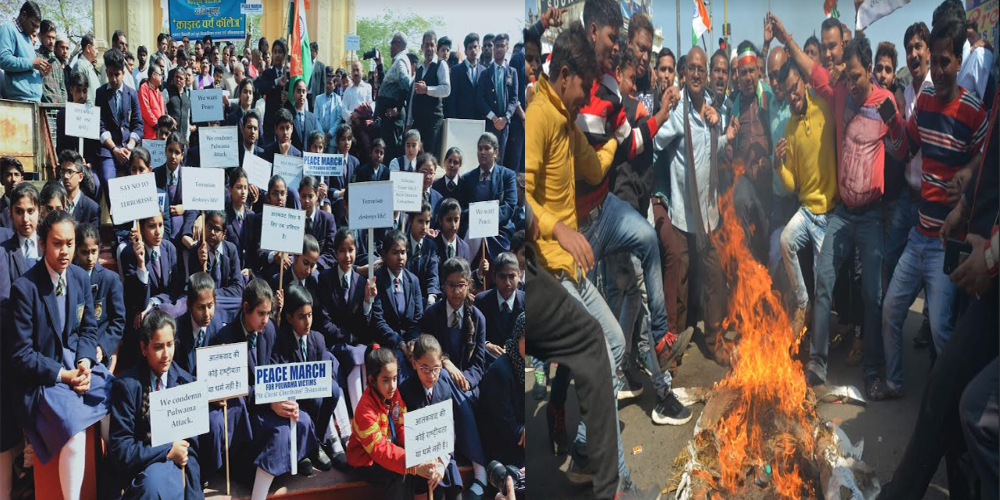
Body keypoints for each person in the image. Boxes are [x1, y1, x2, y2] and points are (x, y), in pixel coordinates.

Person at [770, 15, 906, 388]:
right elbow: (807, 64)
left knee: (872, 294)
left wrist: (895, 125)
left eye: (860, 76)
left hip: (872, 215)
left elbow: (902, 151)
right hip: (842, 214)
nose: (855, 82)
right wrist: (784, 36)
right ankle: (817, 363)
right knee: (825, 281)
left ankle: (873, 370)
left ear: (865, 72)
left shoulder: (886, 101)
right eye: (851, 76)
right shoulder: (839, 91)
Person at [877, 16, 987, 400]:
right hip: (918, 234)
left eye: (945, 62)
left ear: (958, 61)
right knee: (891, 308)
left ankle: (950, 402)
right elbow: (906, 149)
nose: (938, 71)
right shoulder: (922, 102)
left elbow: (988, 163)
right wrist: (891, 121)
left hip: (946, 243)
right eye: (934, 62)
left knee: (941, 329)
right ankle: (894, 383)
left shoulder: (974, 111)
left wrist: (970, 171)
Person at [11, 210, 112, 499]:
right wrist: (64, 375)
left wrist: (84, 362)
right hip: (42, 381)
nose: (65, 250)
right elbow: (21, 355)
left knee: (116, 395)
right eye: (57, 243)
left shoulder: (80, 277)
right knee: (73, 432)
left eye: (70, 243)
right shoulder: (25, 289)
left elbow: (89, 329)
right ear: (42, 244)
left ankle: (112, 483)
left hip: (76, 367)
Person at [106, 310, 202, 499]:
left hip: (180, 467)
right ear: (144, 348)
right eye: (158, 347)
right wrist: (166, 450)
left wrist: (178, 453)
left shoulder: (186, 382)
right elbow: (122, 450)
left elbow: (193, 446)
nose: (166, 354)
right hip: (143, 467)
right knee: (153, 485)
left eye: (170, 345)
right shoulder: (127, 386)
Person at [775, 59, 838, 335]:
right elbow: (792, 184)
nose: (792, 95)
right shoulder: (789, 128)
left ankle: (819, 343)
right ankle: (803, 303)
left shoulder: (825, 107)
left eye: (795, 87)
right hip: (806, 210)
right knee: (785, 240)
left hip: (828, 214)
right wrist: (779, 166)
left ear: (803, 81)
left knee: (822, 281)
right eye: (787, 91)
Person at [347, 345, 444, 499]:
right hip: (366, 461)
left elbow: (402, 427)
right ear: (372, 380)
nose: (392, 386)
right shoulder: (365, 409)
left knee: (429, 472)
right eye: (386, 380)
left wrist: (420, 453)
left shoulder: (394, 394)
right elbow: (380, 450)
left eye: (394, 379)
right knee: (401, 473)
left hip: (392, 451)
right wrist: (413, 465)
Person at [400, 334, 488, 500]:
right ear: (414, 363)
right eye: (425, 368)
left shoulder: (444, 387)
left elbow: (448, 430)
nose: (431, 375)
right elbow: (405, 434)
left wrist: (441, 463)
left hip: (443, 458)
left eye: (436, 368)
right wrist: (426, 464)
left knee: (455, 494)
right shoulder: (406, 391)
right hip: (420, 464)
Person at [273, 285, 348, 473]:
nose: (307, 321)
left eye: (310, 315)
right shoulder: (280, 340)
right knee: (315, 398)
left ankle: (315, 443)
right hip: (295, 399)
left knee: (333, 389)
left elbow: (323, 374)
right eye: (301, 316)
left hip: (316, 399)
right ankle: (302, 450)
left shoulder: (318, 339)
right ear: (289, 318)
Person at [477, 313, 525, 470]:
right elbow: (505, 425)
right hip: (503, 446)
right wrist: (523, 431)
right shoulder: (500, 372)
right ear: (517, 338)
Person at [458, 133, 518, 260]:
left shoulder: (508, 176)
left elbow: (510, 206)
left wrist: (487, 221)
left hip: (499, 230)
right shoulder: (467, 178)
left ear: (496, 152)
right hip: (473, 229)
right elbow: (461, 208)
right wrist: (477, 217)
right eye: (480, 149)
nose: (482, 152)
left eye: (487, 148)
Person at [96, 48, 143, 206]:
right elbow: (100, 126)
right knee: (108, 180)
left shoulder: (132, 94)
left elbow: (138, 125)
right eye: (110, 74)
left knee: (141, 179)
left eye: (117, 74)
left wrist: (129, 147)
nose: (113, 79)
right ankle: (117, 222)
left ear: (123, 73)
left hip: (128, 148)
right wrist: (114, 149)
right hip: (109, 150)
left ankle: (137, 223)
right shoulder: (100, 93)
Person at [75, 223, 125, 371]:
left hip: (100, 349)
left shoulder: (110, 280)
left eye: (94, 251)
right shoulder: (70, 278)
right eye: (84, 252)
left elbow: (118, 320)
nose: (90, 258)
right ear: (76, 250)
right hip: (75, 347)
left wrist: (103, 347)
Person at [373, 230, 424, 372]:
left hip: (411, 342)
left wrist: (412, 342)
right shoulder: (376, 280)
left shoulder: (413, 281)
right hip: (387, 343)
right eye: (395, 252)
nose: (400, 257)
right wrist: (400, 343)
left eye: (403, 252)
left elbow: (418, 317)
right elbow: (378, 320)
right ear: (384, 255)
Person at [191, 210, 245, 323]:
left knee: (242, 304)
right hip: (204, 304)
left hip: (223, 300)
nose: (211, 232)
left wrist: (212, 296)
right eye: (209, 227)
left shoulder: (231, 250)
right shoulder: (196, 250)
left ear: (224, 234)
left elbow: (238, 288)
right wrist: (201, 264)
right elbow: (194, 289)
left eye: (217, 229)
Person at [476, 33, 518, 166]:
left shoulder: (512, 72)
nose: (499, 49)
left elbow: (514, 99)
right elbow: (480, 99)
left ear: (507, 48)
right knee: (488, 159)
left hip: (505, 124)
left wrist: (505, 118)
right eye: (497, 46)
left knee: (501, 158)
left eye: (502, 46)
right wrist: (494, 118)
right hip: (490, 123)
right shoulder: (485, 73)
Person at [475, 252, 524, 366]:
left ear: (520, 275)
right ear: (494, 276)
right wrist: (486, 344)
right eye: (502, 276)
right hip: (489, 362)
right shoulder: (482, 301)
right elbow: (473, 335)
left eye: (512, 276)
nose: (507, 282)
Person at [408, 31, 451, 158]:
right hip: (419, 121)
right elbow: (412, 97)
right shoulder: (419, 69)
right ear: (422, 47)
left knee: (429, 157)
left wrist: (427, 89)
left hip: (433, 122)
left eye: (432, 45)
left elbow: (446, 89)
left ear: (436, 47)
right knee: (417, 157)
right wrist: (409, 122)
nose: (429, 49)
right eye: (426, 45)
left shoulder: (441, 65)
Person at [0, 1, 46, 102]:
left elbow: (27, 68)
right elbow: (3, 60)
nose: (35, 31)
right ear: (24, 15)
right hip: (21, 102)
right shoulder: (8, 28)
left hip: (34, 101)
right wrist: (31, 63)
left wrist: (41, 73)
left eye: (37, 27)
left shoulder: (26, 36)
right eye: (33, 25)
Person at [377, 33, 413, 161]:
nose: (390, 47)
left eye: (391, 43)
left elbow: (405, 82)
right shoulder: (398, 61)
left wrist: (397, 108)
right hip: (388, 118)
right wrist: (380, 65)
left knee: (390, 154)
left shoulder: (400, 61)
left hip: (392, 118)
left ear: (398, 43)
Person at [1, 182, 40, 283]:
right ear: (11, 213)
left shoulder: (49, 247)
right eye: (19, 212)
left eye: (30, 211)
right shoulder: (4, 253)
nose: (25, 219)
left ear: (39, 211)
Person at [298, 175, 338, 270]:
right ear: (299, 196)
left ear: (317, 195)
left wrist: (314, 264)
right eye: (303, 196)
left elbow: (331, 252)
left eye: (310, 196)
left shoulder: (328, 219)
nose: (307, 201)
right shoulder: (293, 219)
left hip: (319, 269)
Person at [254, 38, 289, 145]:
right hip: (271, 124)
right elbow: (261, 88)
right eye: (275, 52)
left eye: (280, 52)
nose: (277, 55)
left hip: (285, 125)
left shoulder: (289, 75)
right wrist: (275, 82)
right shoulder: (267, 73)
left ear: (285, 55)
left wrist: (287, 97)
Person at [406, 200, 441, 308]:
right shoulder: (401, 245)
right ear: (411, 221)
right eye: (420, 221)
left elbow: (433, 275)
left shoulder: (431, 247)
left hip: (425, 300)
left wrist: (432, 296)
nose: (424, 227)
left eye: (427, 222)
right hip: (405, 298)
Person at [226, 167, 258, 277]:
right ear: (230, 189)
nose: (243, 192)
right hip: (229, 274)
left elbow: (255, 249)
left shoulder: (252, 216)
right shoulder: (224, 217)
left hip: (247, 275)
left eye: (245, 188)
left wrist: (250, 269)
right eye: (239, 187)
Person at [59, 150, 100, 228]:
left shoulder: (92, 208)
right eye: (63, 171)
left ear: (80, 177)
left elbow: (93, 238)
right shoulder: (55, 203)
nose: (65, 176)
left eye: (70, 172)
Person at [447, 33, 484, 120]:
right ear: (465, 51)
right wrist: (453, 119)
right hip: (460, 118)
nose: (473, 50)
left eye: (475, 47)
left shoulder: (484, 71)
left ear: (479, 48)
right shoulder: (456, 70)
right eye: (470, 48)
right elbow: (452, 98)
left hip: (478, 119)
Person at [434, 198, 473, 279]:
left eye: (456, 220)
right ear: (441, 220)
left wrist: (479, 273)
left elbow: (466, 276)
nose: (453, 225)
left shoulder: (464, 247)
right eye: (449, 220)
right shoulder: (433, 245)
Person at [286, 78, 319, 153]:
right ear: (293, 94)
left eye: (303, 91)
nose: (301, 94)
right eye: (298, 91)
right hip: (292, 158)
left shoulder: (312, 118)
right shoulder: (288, 116)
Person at [37, 19, 65, 104]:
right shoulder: (35, 57)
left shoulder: (57, 62)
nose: (52, 41)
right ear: (40, 36)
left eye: (53, 38)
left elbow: (62, 88)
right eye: (48, 37)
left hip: (59, 111)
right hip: (44, 110)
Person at [314, 66, 344, 142]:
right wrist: (322, 134)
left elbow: (339, 118)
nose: (328, 86)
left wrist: (330, 134)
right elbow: (316, 118)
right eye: (327, 83)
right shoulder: (318, 98)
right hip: (320, 137)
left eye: (330, 83)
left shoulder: (338, 99)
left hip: (332, 137)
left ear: (334, 85)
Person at [138, 62, 166, 140]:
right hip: (149, 134)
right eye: (160, 75)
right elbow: (145, 110)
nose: (162, 78)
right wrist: (156, 124)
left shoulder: (159, 91)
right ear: (153, 75)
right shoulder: (144, 88)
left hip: (160, 134)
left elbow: (162, 111)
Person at [166, 67, 193, 145]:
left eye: (181, 78)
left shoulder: (186, 97)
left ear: (184, 80)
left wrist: (187, 138)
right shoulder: (167, 92)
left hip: (183, 139)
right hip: (170, 137)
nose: (178, 79)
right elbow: (161, 109)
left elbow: (187, 119)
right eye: (176, 77)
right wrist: (168, 118)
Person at [73, 34, 101, 105]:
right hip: (86, 113)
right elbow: (80, 91)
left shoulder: (90, 67)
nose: (98, 52)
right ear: (88, 48)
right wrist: (91, 110)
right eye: (96, 48)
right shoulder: (80, 65)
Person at [307, 41, 325, 110]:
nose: (310, 53)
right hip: (305, 95)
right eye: (309, 50)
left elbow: (323, 85)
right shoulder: (305, 64)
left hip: (315, 97)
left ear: (316, 52)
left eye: (311, 50)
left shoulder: (321, 66)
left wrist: (322, 100)